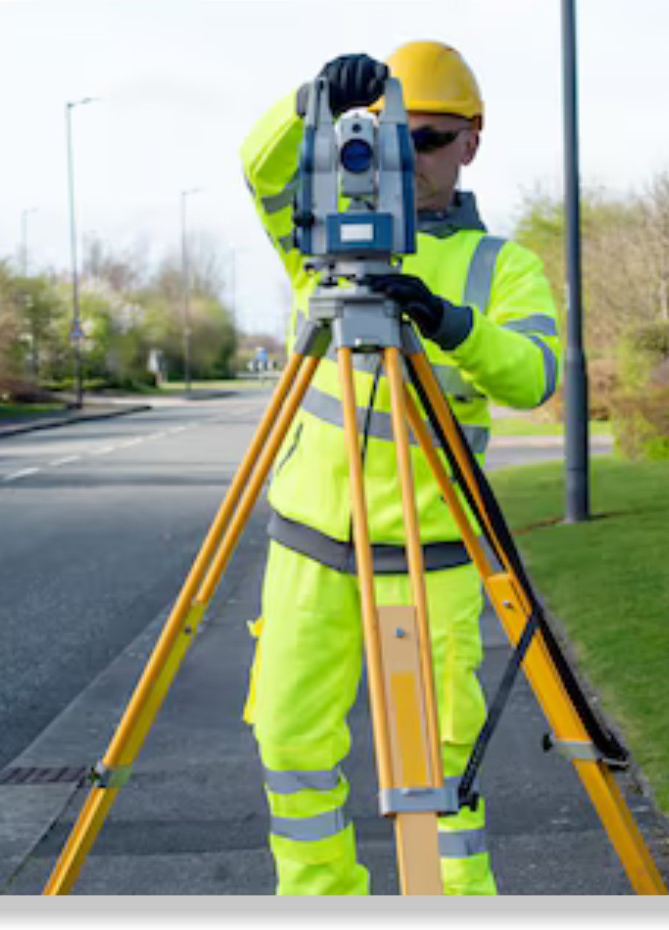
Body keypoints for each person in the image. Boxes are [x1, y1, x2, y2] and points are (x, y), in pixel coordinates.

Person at [239, 40, 560, 895]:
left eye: (428, 138)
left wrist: (452, 322)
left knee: (437, 771)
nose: (407, 155)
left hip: (432, 560)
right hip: (310, 546)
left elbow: (535, 377)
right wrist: (309, 99)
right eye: (391, 134)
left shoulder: (503, 267)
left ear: (470, 143)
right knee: (289, 743)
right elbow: (258, 167)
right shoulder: (317, 241)